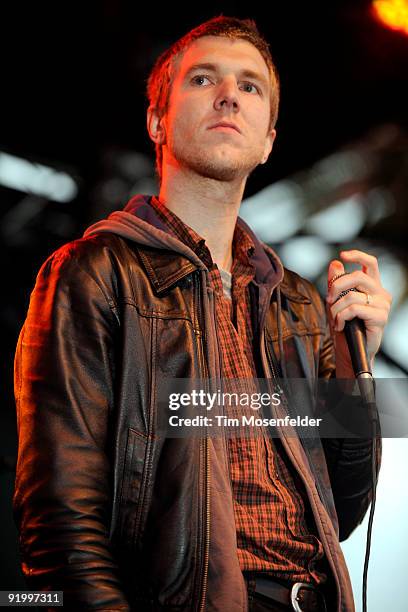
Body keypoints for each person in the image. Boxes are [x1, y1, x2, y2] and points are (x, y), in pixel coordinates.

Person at [13, 16, 392, 612]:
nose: (228, 96)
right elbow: (61, 520)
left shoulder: (295, 303)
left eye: (251, 86)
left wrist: (352, 360)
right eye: (203, 79)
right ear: (158, 120)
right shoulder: (95, 270)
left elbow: (341, 508)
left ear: (268, 139)